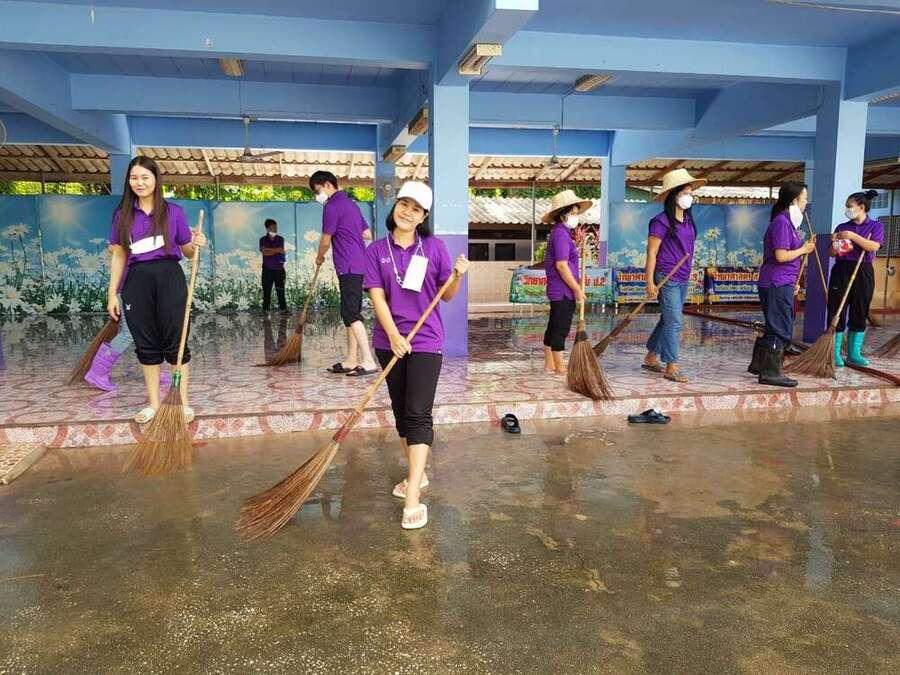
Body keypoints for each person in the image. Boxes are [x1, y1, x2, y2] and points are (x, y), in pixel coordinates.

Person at [364, 181, 468, 530]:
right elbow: (377, 297)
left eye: (416, 209)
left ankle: (413, 495)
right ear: (395, 206)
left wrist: (457, 276)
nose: (408, 212)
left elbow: (446, 295)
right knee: (401, 412)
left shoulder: (434, 248)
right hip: (388, 340)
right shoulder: (376, 250)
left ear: (424, 216)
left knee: (418, 413)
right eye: (404, 204)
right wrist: (393, 336)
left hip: (425, 340)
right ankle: (417, 473)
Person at [107, 156, 206, 424]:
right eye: (134, 178)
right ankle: (153, 404)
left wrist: (196, 243)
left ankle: (182, 403)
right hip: (136, 281)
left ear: (156, 180)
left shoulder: (174, 212)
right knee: (146, 345)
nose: (139, 182)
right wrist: (112, 293)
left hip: (170, 278)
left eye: (145, 177)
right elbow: (119, 255)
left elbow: (187, 252)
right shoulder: (122, 215)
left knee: (176, 342)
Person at [749, 181, 816, 387]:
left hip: (781, 281)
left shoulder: (788, 223)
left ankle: (759, 365)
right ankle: (771, 373)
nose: (806, 202)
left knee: (774, 324)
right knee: (780, 327)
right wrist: (804, 249)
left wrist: (792, 281)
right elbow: (781, 255)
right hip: (776, 282)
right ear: (795, 199)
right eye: (805, 198)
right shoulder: (782, 223)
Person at [310, 171, 377, 377]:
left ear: (327, 184)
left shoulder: (331, 206)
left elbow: (325, 240)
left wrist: (319, 257)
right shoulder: (351, 205)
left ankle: (368, 360)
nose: (317, 195)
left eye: (317, 190)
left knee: (350, 313)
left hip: (347, 265)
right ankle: (351, 360)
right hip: (359, 264)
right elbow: (367, 234)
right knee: (351, 312)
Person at [642, 168, 705, 383]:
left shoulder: (688, 220)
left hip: (683, 276)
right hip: (666, 277)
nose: (689, 196)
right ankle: (671, 366)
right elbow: (651, 253)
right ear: (674, 195)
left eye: (691, 193)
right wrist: (649, 282)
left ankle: (651, 357)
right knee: (675, 322)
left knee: (668, 319)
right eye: (685, 192)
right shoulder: (661, 222)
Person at [828, 190, 884, 366]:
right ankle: (835, 353)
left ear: (861, 207)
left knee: (860, 308)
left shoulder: (875, 226)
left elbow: (873, 246)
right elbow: (831, 253)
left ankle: (854, 353)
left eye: (849, 206)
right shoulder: (842, 227)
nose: (847, 209)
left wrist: (853, 237)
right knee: (837, 308)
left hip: (863, 269)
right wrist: (835, 243)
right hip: (842, 269)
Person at [541, 190, 591, 375]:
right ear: (563, 214)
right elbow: (561, 266)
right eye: (574, 213)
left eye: (577, 213)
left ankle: (550, 364)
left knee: (554, 325)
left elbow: (565, 261)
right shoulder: (561, 234)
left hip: (560, 289)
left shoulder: (561, 233)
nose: (576, 217)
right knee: (560, 328)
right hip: (563, 290)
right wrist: (577, 289)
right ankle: (560, 366)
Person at [259, 218, 287, 311]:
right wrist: (276, 250)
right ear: (267, 229)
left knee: (281, 292)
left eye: (276, 227)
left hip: (279, 270)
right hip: (267, 269)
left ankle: (283, 309)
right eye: (273, 228)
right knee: (267, 292)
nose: (275, 229)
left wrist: (268, 249)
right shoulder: (262, 239)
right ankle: (265, 311)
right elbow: (265, 253)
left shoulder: (280, 239)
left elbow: (281, 250)